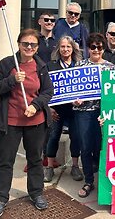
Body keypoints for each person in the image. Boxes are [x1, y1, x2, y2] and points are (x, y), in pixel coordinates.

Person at [0, 29, 53, 217]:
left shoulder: (41, 66)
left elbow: (48, 92)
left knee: (35, 160)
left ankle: (36, 193)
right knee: (5, 161)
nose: (29, 47)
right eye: (25, 44)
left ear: (37, 47)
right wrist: (11, 80)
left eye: (33, 44)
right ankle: (0, 198)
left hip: (35, 121)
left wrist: (36, 105)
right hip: (10, 122)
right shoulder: (8, 64)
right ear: (19, 44)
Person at [73, 33, 115, 198]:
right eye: (93, 47)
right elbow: (73, 91)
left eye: (99, 47)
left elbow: (114, 94)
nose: (96, 50)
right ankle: (89, 181)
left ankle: (103, 181)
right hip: (83, 113)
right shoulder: (80, 65)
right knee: (85, 147)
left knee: (102, 147)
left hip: (103, 114)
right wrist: (74, 101)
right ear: (88, 48)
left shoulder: (111, 67)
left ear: (104, 48)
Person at [44, 36, 83, 183]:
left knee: (76, 136)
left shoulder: (79, 66)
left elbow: (83, 87)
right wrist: (49, 107)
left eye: (68, 47)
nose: (65, 49)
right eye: (62, 47)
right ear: (58, 49)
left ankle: (74, 166)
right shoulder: (51, 66)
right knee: (53, 136)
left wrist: (81, 100)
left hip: (74, 109)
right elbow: (45, 88)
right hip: (56, 109)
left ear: (73, 49)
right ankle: (49, 167)